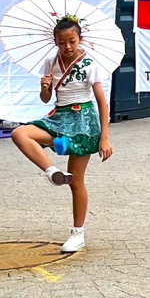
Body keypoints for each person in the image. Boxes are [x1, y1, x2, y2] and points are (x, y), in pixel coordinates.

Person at [11, 17, 114, 253]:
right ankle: (53, 171)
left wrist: (104, 137)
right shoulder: (50, 62)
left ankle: (78, 234)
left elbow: (101, 101)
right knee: (20, 133)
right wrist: (44, 87)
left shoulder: (88, 63)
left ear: (79, 39)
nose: (67, 47)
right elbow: (46, 100)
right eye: (61, 42)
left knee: (77, 181)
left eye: (72, 41)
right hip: (59, 117)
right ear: (55, 42)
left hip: (82, 121)